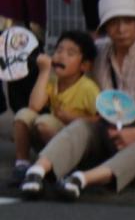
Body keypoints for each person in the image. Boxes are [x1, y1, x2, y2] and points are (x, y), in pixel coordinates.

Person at [19, 0, 135, 201]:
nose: (121, 29)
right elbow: (71, 64)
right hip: (106, 132)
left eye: (128, 21)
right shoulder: (99, 51)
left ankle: (81, 179)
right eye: (114, 23)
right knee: (81, 127)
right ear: (104, 29)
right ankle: (36, 172)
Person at [11, 32, 99, 181]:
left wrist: (72, 118)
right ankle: (22, 164)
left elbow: (101, 120)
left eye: (70, 53)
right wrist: (44, 72)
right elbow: (34, 106)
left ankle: (62, 165)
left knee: (44, 122)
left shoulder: (88, 88)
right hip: (49, 136)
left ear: (84, 65)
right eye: (58, 50)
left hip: (75, 144)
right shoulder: (53, 80)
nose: (61, 56)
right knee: (23, 114)